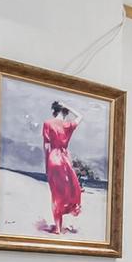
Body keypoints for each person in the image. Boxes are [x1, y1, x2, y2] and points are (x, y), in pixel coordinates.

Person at [42, 100, 83, 234]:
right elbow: (80, 116)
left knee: (56, 194)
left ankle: (58, 228)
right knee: (69, 190)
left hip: (53, 158)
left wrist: (47, 164)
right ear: (65, 111)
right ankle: (71, 209)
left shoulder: (47, 123)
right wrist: (69, 106)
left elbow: (46, 145)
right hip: (65, 159)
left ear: (54, 111)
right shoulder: (68, 124)